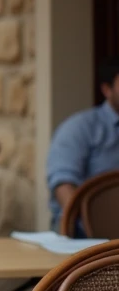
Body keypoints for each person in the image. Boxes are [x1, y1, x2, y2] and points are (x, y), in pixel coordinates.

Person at [47, 55, 119, 233]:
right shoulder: (80, 128)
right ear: (107, 89)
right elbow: (63, 184)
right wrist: (91, 228)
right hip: (86, 232)